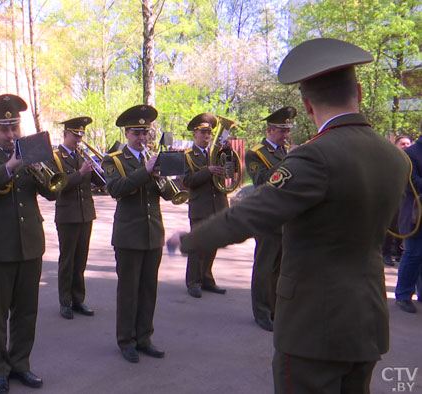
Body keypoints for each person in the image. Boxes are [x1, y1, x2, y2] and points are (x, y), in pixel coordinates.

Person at [179, 38, 408, 393]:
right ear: (360, 92)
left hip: (314, 325)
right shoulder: (395, 157)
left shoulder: (315, 156)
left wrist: (190, 240)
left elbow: (251, 215)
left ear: (306, 103)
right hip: (369, 319)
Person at [0, 94, 57, 393]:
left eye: (15, 127)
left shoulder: (30, 153)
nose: (11, 134)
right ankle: (0, 369)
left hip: (29, 244)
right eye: (4, 128)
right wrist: (11, 165)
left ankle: (21, 364)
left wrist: (45, 166)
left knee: (27, 311)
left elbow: (55, 192)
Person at [102, 104, 173, 364]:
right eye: (136, 133)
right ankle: (126, 341)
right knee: (129, 290)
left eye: (145, 133)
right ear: (126, 134)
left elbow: (167, 194)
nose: (142, 138)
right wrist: (146, 172)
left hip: (153, 232)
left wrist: (168, 177)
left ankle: (144, 338)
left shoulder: (153, 158)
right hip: (128, 235)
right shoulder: (114, 160)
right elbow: (116, 189)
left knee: (148, 289)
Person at [243, 106, 296, 332]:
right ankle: (261, 312)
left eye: (287, 130)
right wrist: (290, 161)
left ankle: (275, 309)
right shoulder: (257, 153)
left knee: (280, 266)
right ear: (270, 129)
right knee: (264, 266)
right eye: (282, 131)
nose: (286, 135)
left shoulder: (284, 151)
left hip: (285, 216)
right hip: (266, 215)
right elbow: (263, 180)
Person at [50, 116, 97, 320]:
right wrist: (80, 173)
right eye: (75, 135)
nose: (78, 139)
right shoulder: (55, 157)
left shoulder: (82, 156)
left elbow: (96, 180)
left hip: (86, 213)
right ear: (65, 134)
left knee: (81, 259)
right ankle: (65, 302)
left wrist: (97, 169)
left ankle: (79, 299)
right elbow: (57, 185)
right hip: (67, 215)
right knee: (67, 260)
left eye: (81, 135)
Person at [181, 113, 228, 298]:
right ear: (194, 134)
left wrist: (226, 169)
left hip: (218, 205)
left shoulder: (217, 153)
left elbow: (225, 177)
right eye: (202, 133)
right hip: (200, 206)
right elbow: (186, 181)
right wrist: (207, 171)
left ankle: (207, 279)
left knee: (212, 245)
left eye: (209, 133)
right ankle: (193, 281)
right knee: (198, 245)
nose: (206, 136)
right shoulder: (187, 156)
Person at [395, 127, 422, 314]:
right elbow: (412, 183)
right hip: (414, 215)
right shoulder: (410, 154)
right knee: (413, 254)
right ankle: (404, 295)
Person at [382, 135, 412, 267]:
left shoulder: (412, 160)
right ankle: (386, 253)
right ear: (396, 146)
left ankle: (399, 253)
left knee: (403, 226)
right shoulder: (390, 159)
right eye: (403, 144)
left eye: (408, 144)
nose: (406, 146)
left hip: (408, 198)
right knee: (391, 225)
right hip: (392, 196)